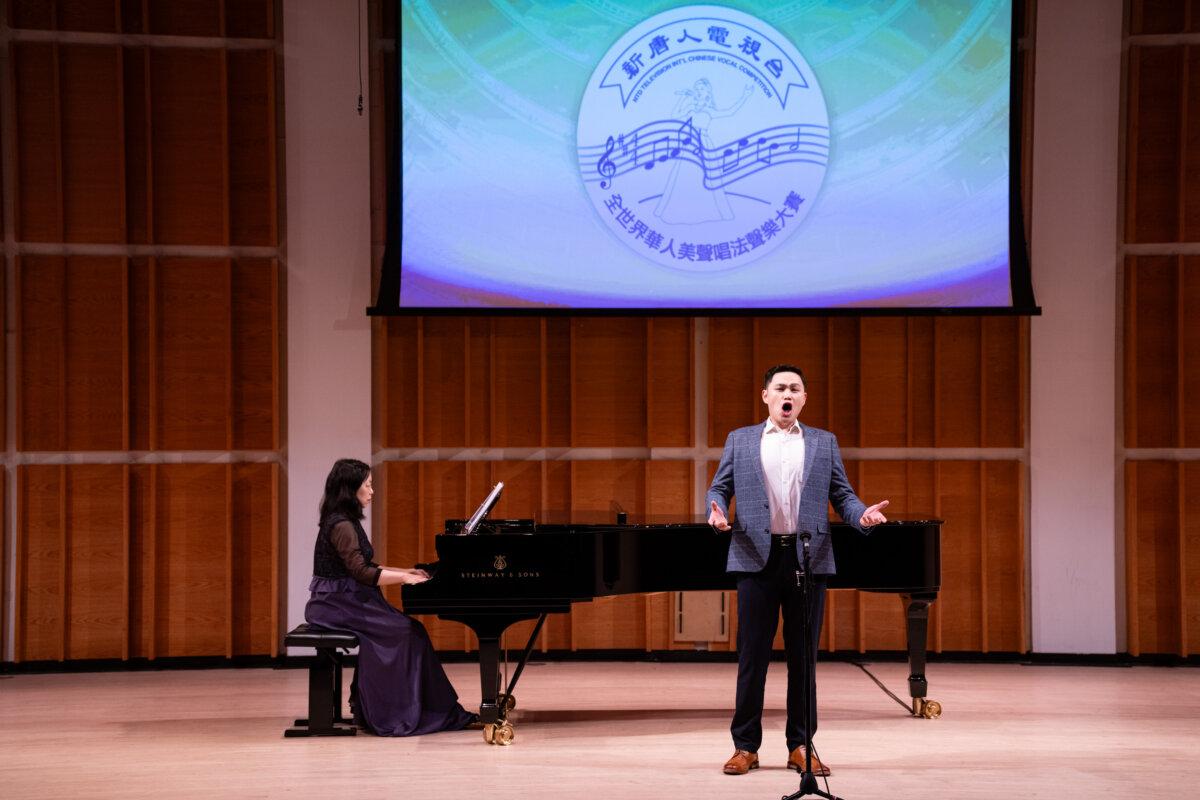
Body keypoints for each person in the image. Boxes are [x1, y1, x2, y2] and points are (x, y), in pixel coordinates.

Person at [707, 365, 889, 776]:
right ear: (765, 395)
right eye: (780, 387)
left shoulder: (824, 443)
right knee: (752, 657)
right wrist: (715, 511)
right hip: (756, 556)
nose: (787, 393)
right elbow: (720, 487)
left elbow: (842, 494)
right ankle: (745, 747)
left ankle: (801, 745)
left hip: (809, 556)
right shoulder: (740, 440)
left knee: (803, 658)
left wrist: (861, 517)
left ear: (803, 398)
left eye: (795, 388)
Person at [305, 458, 476, 736]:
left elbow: (364, 568)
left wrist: (403, 571)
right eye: (368, 486)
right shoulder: (342, 526)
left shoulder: (344, 521)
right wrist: (405, 579)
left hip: (344, 601)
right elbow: (362, 573)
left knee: (412, 631)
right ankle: (397, 713)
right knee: (408, 632)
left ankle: (422, 708)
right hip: (335, 606)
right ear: (351, 489)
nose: (372, 492)